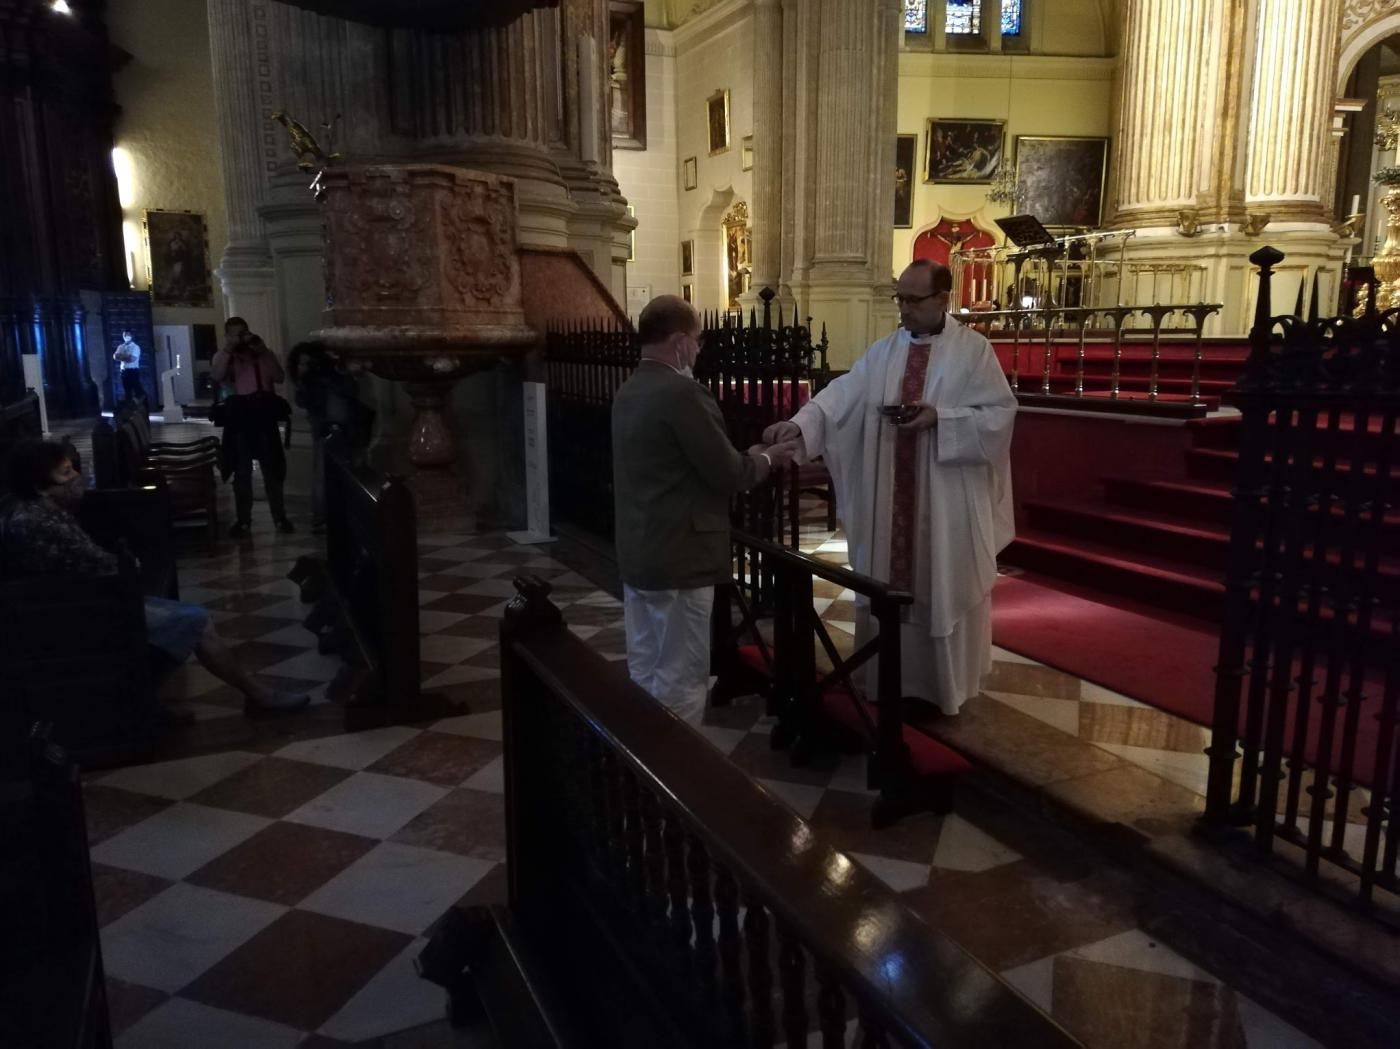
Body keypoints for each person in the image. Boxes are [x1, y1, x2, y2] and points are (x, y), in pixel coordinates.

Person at [763, 259, 1016, 716]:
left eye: (913, 300)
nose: (903, 308)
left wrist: (941, 419)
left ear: (943, 299)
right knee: (887, 579)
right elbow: (841, 397)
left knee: (939, 581)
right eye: (900, 298)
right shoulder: (884, 351)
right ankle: (887, 681)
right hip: (890, 496)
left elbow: (999, 417)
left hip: (945, 501)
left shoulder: (974, 351)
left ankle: (941, 689)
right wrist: (800, 425)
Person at [0, 440, 309, 716]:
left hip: (84, 601)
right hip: (81, 613)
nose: (76, 478)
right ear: (40, 486)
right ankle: (253, 696)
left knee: (193, 620)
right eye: (66, 473)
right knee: (197, 621)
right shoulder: (40, 524)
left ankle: (158, 701)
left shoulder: (39, 511)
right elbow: (95, 567)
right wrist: (127, 565)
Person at [612, 295, 797, 725]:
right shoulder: (682, 393)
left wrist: (746, 456)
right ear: (680, 342)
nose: (698, 350)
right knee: (681, 678)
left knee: (645, 666)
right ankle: (673, 763)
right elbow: (729, 475)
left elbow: (680, 463)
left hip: (640, 551)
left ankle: (641, 751)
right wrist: (768, 459)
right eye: (697, 341)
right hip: (682, 558)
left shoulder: (630, 389)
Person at [212, 316, 292, 538]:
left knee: (272, 469)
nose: (241, 338)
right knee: (241, 472)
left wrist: (264, 352)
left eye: (243, 332)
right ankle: (243, 520)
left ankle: (280, 517)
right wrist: (229, 350)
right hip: (239, 419)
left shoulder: (262, 354)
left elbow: (279, 377)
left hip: (263, 417)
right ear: (227, 336)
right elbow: (217, 376)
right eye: (235, 334)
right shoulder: (223, 356)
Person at [287, 342, 372, 535]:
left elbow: (350, 390)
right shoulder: (310, 383)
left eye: (308, 363)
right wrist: (308, 379)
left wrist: (334, 371)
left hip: (347, 430)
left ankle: (350, 514)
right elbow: (303, 401)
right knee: (322, 475)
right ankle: (321, 518)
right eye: (302, 363)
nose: (305, 367)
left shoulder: (335, 376)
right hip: (324, 431)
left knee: (352, 470)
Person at [113, 329, 143, 403]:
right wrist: (126, 356)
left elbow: (131, 359)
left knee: (136, 390)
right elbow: (115, 356)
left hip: (133, 371)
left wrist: (121, 356)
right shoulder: (121, 346)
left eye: (128, 334)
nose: (126, 336)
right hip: (124, 372)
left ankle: (139, 406)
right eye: (124, 335)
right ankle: (129, 405)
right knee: (127, 391)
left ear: (131, 336)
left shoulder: (135, 347)